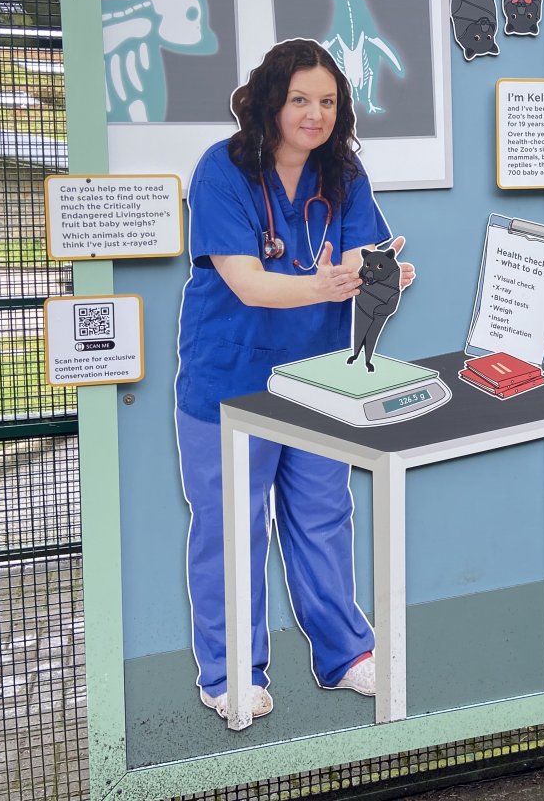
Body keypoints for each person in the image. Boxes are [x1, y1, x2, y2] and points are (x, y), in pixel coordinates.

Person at [173, 38, 414, 721]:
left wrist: (380, 276)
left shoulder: (342, 172)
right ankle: (230, 673)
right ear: (270, 101)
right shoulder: (222, 170)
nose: (315, 114)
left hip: (316, 379)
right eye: (300, 99)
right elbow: (248, 283)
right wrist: (324, 286)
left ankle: (346, 654)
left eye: (328, 102)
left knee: (323, 515)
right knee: (232, 526)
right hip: (231, 378)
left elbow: (362, 255)